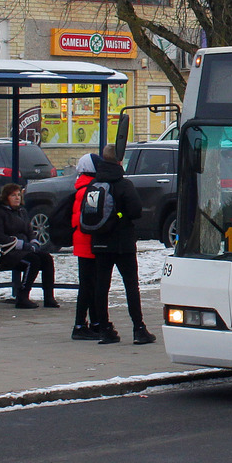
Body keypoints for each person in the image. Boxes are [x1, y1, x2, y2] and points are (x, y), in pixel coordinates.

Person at [89, 144, 155, 345]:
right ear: (119, 161)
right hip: (122, 242)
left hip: (99, 241)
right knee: (130, 286)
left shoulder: (95, 183)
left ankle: (104, 329)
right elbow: (135, 211)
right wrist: (120, 215)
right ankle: (139, 329)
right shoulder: (123, 184)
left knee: (102, 286)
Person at [0, 183, 58, 309]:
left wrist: (34, 242)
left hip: (25, 250)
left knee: (47, 258)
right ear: (6, 197)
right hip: (6, 252)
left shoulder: (22, 211)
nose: (17, 198)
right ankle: (22, 297)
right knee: (33, 261)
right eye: (13, 195)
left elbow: (29, 231)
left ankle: (49, 298)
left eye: (19, 195)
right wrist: (22, 245)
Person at [70, 154, 101, 339]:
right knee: (89, 286)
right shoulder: (90, 189)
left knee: (89, 285)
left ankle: (91, 322)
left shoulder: (82, 187)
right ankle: (80, 325)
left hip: (82, 242)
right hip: (88, 243)